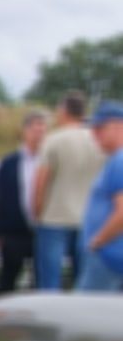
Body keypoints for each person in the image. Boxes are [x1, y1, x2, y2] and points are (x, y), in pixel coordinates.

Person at [32, 90, 105, 289]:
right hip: (87, 219)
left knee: (49, 279)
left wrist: (37, 212)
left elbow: (40, 181)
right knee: (83, 279)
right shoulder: (98, 141)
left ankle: (48, 317)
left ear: (64, 110)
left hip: (54, 218)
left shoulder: (53, 140)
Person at [0, 110, 48, 292]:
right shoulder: (9, 163)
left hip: (44, 229)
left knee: (42, 277)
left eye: (42, 131)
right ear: (24, 131)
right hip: (14, 231)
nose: (38, 135)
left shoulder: (50, 162)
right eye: (34, 130)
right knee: (8, 278)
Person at [77, 101, 123, 291]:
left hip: (108, 257)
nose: (94, 134)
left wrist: (97, 242)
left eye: (100, 128)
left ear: (118, 126)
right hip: (110, 255)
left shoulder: (120, 161)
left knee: (84, 317)